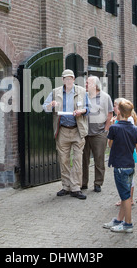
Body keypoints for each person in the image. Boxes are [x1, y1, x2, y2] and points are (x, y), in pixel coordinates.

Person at [103, 99, 137, 233]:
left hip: (120, 166)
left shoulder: (114, 128)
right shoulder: (134, 128)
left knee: (125, 197)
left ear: (119, 112)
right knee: (126, 194)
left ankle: (128, 224)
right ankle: (119, 219)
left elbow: (110, 145)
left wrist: (112, 127)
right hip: (130, 165)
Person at [43, 69, 90, 200]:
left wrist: (81, 111)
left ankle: (75, 188)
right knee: (63, 160)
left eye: (70, 78)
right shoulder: (55, 92)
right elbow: (44, 107)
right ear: (62, 80)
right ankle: (66, 186)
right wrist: (50, 105)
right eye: (65, 78)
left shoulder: (81, 91)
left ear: (74, 79)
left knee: (77, 160)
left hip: (77, 130)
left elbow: (88, 108)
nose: (68, 81)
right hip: (62, 130)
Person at [82, 76, 114, 192]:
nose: (85, 85)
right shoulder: (83, 96)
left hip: (99, 133)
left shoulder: (105, 97)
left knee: (99, 159)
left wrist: (106, 130)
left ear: (95, 85)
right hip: (84, 133)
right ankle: (83, 182)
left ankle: (98, 183)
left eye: (87, 83)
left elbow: (110, 113)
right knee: (83, 159)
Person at [111, 98, 137, 206]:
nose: (113, 108)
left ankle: (128, 199)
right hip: (123, 153)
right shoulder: (120, 120)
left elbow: (113, 141)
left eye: (115, 106)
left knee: (127, 179)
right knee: (126, 178)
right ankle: (126, 199)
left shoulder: (128, 120)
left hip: (126, 153)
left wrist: (113, 125)